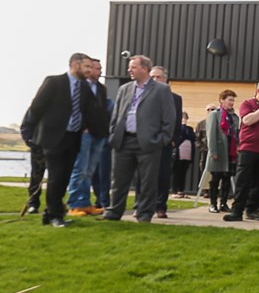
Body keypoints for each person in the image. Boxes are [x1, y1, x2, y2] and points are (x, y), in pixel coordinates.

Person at [28, 53, 109, 227]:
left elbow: (92, 113)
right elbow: (36, 108)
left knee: (64, 178)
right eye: (86, 66)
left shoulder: (85, 88)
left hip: (73, 139)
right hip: (53, 138)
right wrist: (31, 135)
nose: (89, 70)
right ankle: (56, 215)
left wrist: (103, 132)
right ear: (74, 64)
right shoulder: (54, 82)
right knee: (56, 177)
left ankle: (50, 214)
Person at [103, 55, 175, 223]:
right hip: (123, 141)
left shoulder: (161, 90)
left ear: (144, 69)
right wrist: (113, 134)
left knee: (147, 181)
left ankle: (144, 214)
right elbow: (116, 115)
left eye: (133, 67)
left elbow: (169, 118)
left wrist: (160, 140)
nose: (129, 70)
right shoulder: (125, 89)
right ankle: (114, 211)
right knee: (118, 180)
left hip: (149, 143)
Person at [224, 80, 259, 221]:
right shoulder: (248, 104)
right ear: (258, 91)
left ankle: (252, 210)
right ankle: (237, 211)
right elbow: (247, 121)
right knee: (243, 181)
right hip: (248, 149)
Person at [67, 57, 109, 217]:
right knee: (80, 169)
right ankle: (75, 205)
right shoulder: (79, 85)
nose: (98, 71)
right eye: (95, 68)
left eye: (99, 68)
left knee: (90, 171)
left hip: (99, 134)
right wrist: (82, 128)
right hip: (84, 134)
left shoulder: (101, 88)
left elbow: (103, 111)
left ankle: (85, 203)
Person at [150, 66, 183, 218]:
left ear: (166, 79)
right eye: (152, 77)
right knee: (145, 175)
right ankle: (144, 205)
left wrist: (174, 141)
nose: (155, 80)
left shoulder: (175, 98)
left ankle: (160, 206)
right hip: (147, 141)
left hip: (166, 142)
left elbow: (177, 122)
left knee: (163, 175)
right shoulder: (144, 94)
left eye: (158, 77)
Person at [204, 91, 239, 214]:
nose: (231, 103)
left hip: (230, 151)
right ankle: (213, 204)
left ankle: (223, 203)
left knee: (227, 178)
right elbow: (211, 134)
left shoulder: (235, 117)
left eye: (233, 100)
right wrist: (213, 151)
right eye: (229, 100)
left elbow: (236, 134)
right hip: (219, 151)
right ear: (222, 100)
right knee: (215, 178)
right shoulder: (215, 115)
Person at [19, 107, 46, 214]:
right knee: (36, 176)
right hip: (38, 146)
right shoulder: (36, 107)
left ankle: (54, 205)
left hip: (56, 145)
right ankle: (33, 204)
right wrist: (30, 141)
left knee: (57, 178)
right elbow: (26, 125)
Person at [171, 111, 195, 198]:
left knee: (183, 173)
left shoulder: (190, 129)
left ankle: (181, 190)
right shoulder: (177, 128)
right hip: (178, 154)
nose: (184, 119)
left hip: (187, 154)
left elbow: (191, 137)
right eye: (182, 117)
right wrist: (182, 126)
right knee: (176, 172)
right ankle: (174, 190)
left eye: (185, 117)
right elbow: (182, 136)